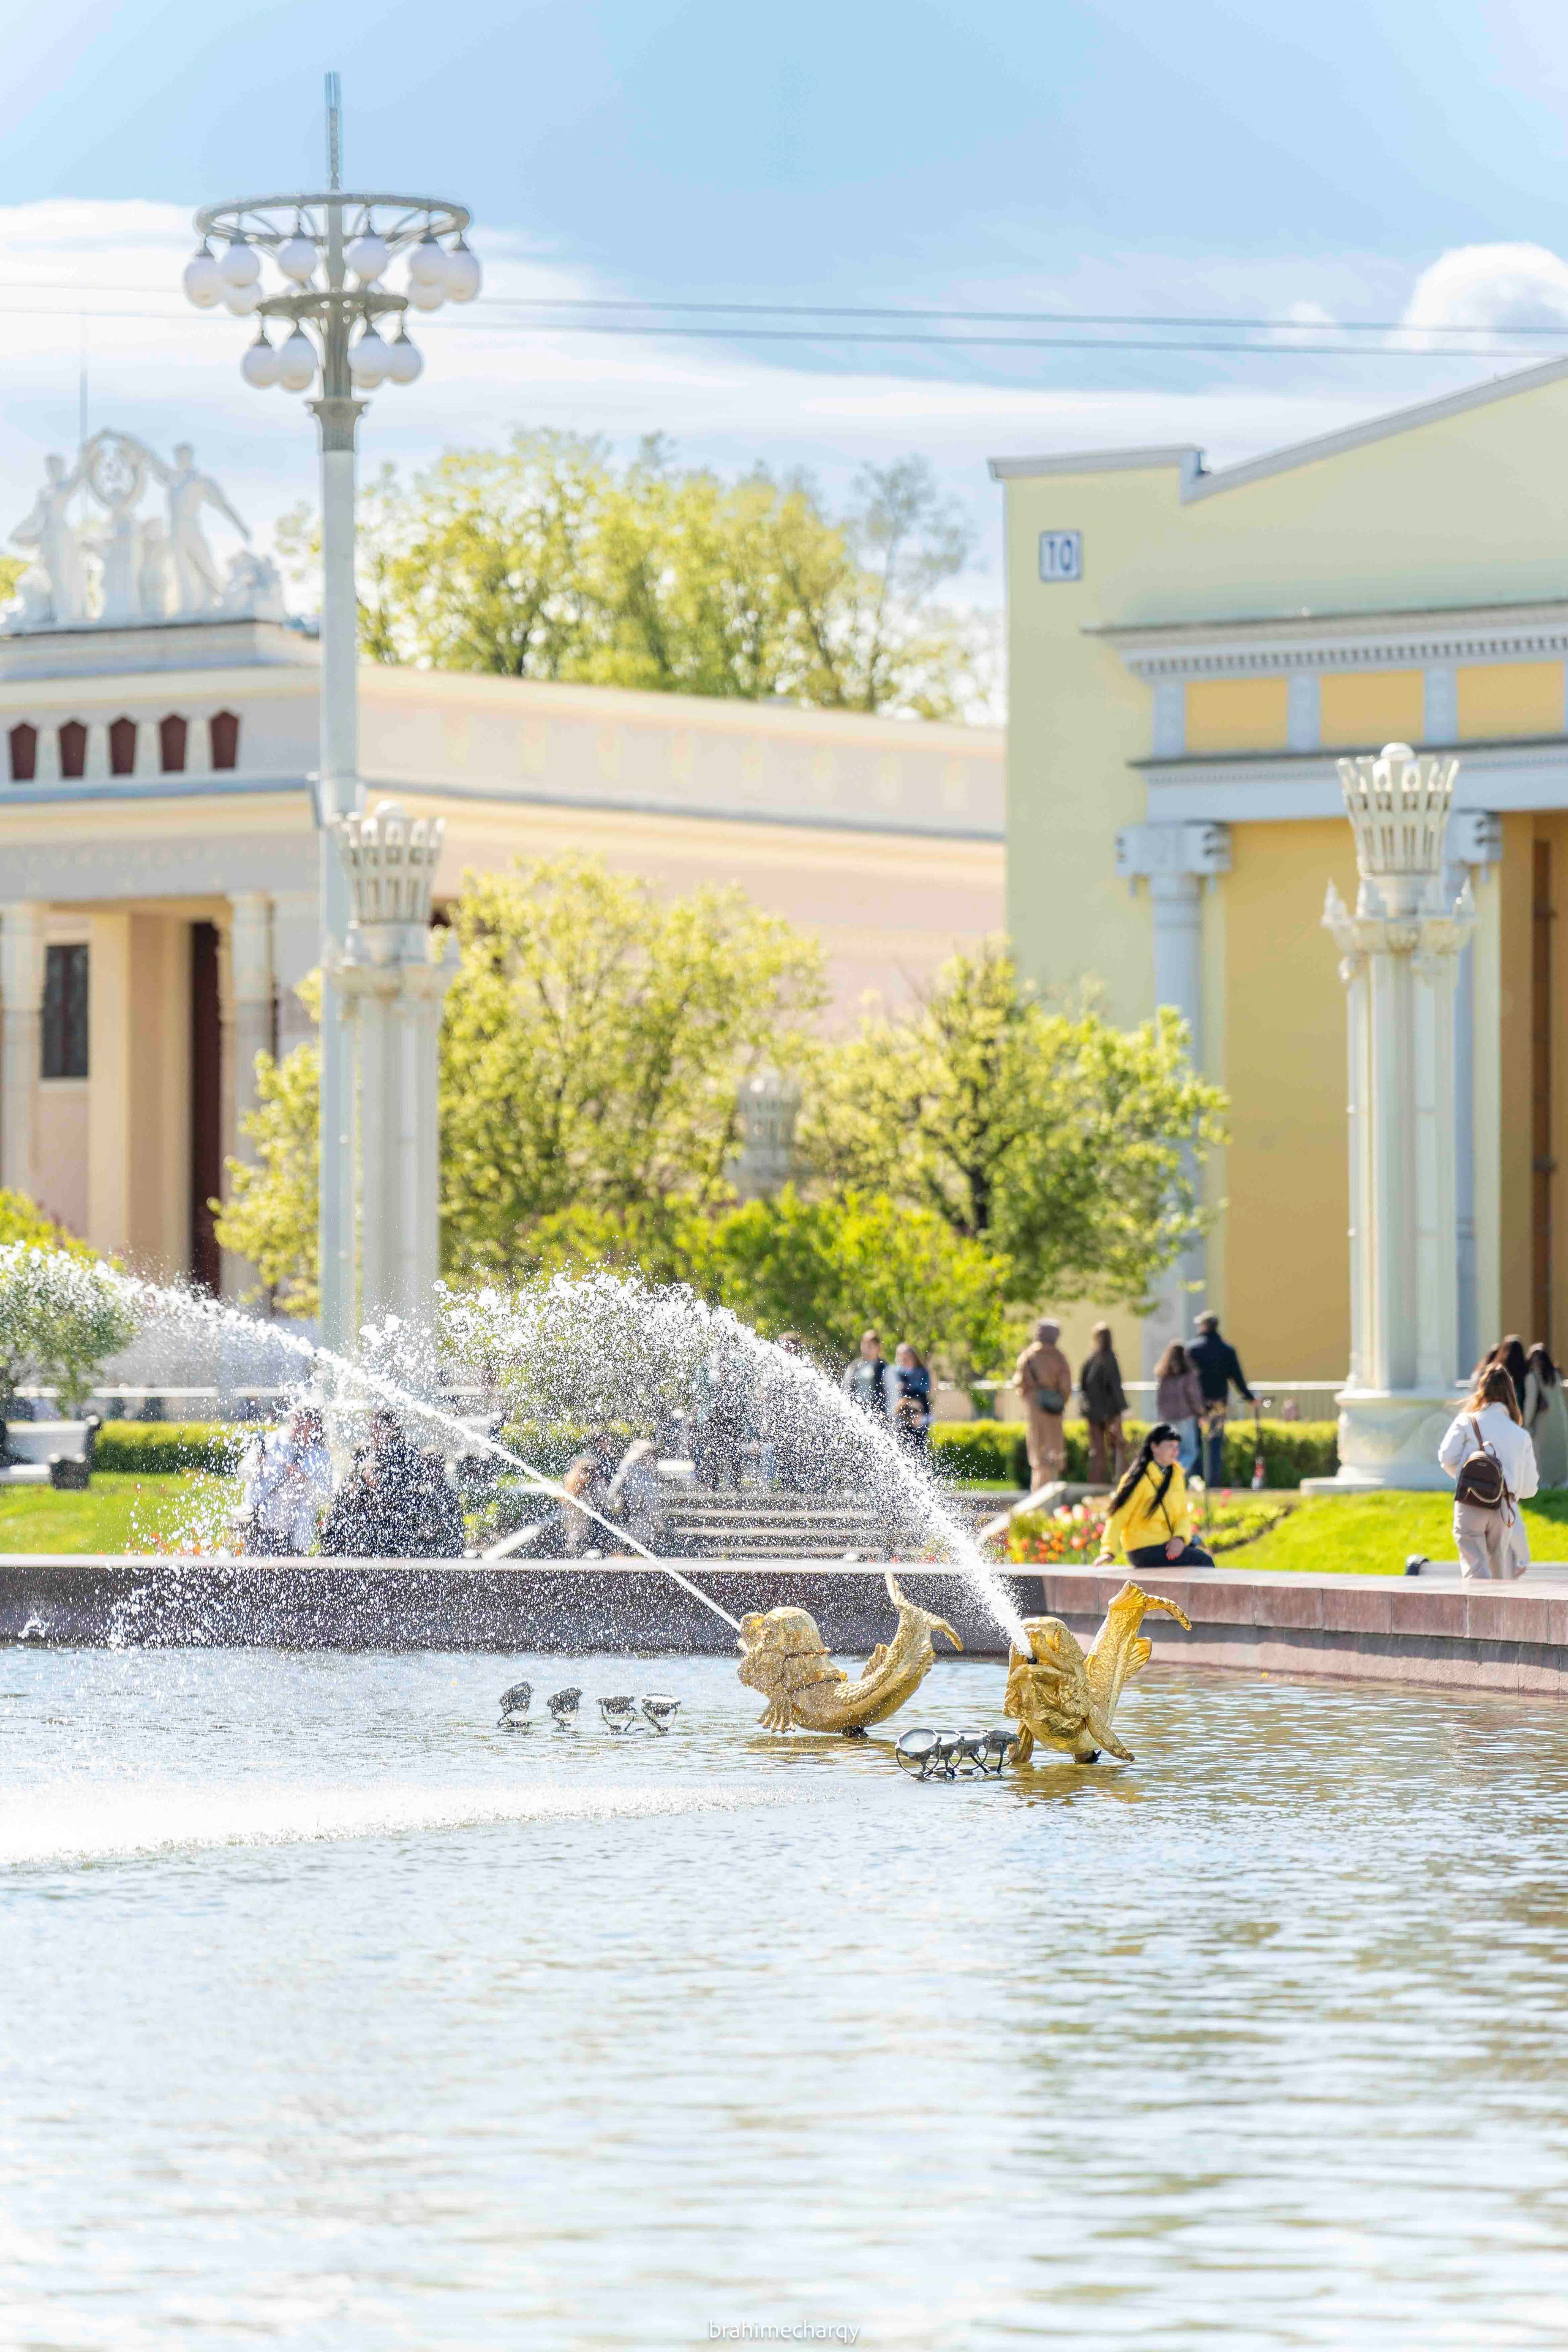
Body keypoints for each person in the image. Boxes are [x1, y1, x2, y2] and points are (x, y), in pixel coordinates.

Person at [1438, 1363, 1539, 1580]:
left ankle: (1478, 1613)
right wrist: (1507, 1489)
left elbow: (1446, 1457)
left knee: (1475, 1571)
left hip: (1470, 1503)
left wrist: (1468, 1479)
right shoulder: (1520, 1434)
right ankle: (1495, 1612)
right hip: (1503, 1509)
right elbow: (1530, 1488)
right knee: (1499, 1571)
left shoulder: (1467, 1421)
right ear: (1511, 1394)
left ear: (1482, 1390)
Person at [319, 1411, 464, 1559]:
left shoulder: (406, 1452)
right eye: (372, 1428)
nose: (374, 1432)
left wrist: (380, 1481)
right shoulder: (363, 1452)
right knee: (342, 1506)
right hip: (366, 1513)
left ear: (392, 1428)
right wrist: (356, 1483)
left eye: (379, 1427)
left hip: (395, 1519)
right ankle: (331, 1552)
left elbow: (409, 1487)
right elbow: (349, 1479)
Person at [1095, 1423, 1215, 1569]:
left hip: (1167, 1544)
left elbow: (1182, 1515)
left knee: (1202, 1561)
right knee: (1204, 1562)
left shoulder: (1176, 1476)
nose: (1175, 1451)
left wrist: (1180, 1538)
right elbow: (1118, 1515)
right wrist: (1109, 1551)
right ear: (1154, 1447)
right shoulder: (1138, 1478)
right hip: (1143, 1548)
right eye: (1170, 1445)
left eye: (1177, 1446)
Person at [237, 1404, 333, 1556]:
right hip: (262, 1527)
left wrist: (305, 1482)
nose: (298, 1426)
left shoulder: (320, 1456)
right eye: (296, 1420)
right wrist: (258, 1463)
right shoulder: (271, 1442)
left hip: (296, 1535)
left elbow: (325, 1496)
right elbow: (243, 1471)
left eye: (304, 1422)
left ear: (314, 1425)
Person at [1189, 1311, 1254, 1488]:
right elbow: (1237, 1377)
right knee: (1215, 1442)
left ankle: (1195, 1479)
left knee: (1196, 1442)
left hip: (1198, 1405)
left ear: (1203, 1326)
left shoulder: (1193, 1349)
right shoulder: (1227, 1350)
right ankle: (1213, 1482)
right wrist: (1250, 1397)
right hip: (1218, 1404)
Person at [1014, 1316, 1073, 1490]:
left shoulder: (1028, 1356)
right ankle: (1051, 1493)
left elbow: (1020, 1383)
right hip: (1054, 1410)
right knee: (1054, 1452)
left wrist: (1032, 1398)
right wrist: (1057, 1399)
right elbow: (1066, 1387)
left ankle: (1037, 1493)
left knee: (1037, 1453)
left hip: (1034, 1408)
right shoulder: (1060, 1358)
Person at [1079, 1324, 1128, 1486]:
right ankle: (1118, 1482)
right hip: (1110, 1412)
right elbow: (1115, 1386)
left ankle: (1096, 1484)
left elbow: (1083, 1387)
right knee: (1116, 1449)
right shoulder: (1110, 1359)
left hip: (1093, 1412)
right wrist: (1122, 1409)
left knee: (1097, 1451)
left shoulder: (1090, 1360)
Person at [606, 1437, 668, 1551]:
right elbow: (651, 1503)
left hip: (627, 1519)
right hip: (640, 1524)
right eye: (651, 1454)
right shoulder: (644, 1474)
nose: (653, 1458)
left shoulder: (626, 1468)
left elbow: (612, 1491)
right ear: (644, 1455)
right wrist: (658, 1523)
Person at [1153, 1341, 1205, 1477]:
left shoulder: (1163, 1374)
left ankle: (1168, 1475)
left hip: (1167, 1418)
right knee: (1190, 1452)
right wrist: (1200, 1413)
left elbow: (1159, 1398)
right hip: (1185, 1417)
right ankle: (1176, 1474)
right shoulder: (1188, 1374)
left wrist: (1161, 1416)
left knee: (1170, 1451)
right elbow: (1193, 1397)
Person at [1523, 1343, 1568, 1488]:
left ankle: (1545, 1488)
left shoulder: (1532, 1377)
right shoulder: (1556, 1375)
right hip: (1561, 1422)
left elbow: (1530, 1403)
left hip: (1542, 1423)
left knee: (1543, 1461)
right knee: (1560, 1457)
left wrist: (1526, 1424)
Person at [890, 1342, 932, 1457]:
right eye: (901, 1356)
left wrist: (907, 1390)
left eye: (907, 1356)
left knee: (919, 1444)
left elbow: (923, 1389)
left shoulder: (921, 1371)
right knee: (902, 1443)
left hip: (919, 1410)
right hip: (902, 1411)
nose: (904, 1359)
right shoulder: (896, 1372)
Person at [841, 1329, 892, 1419]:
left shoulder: (884, 1368)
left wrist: (889, 1415)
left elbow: (891, 1393)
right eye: (865, 1344)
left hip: (877, 1413)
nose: (867, 1348)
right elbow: (846, 1388)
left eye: (871, 1345)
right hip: (856, 1411)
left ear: (878, 1347)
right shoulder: (854, 1366)